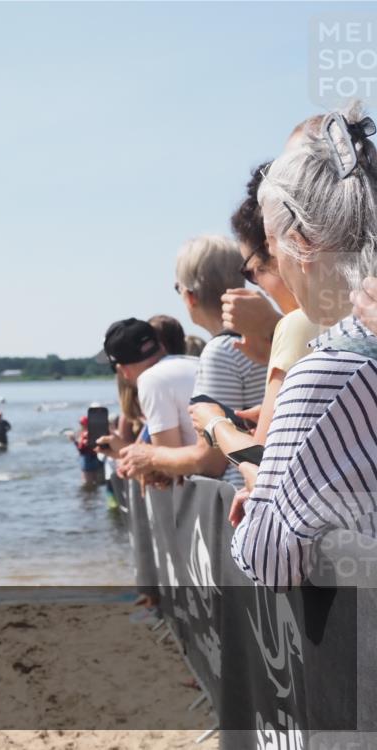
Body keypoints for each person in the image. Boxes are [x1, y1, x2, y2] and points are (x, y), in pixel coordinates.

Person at [192, 103, 377, 589]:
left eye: (271, 250)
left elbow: (269, 557)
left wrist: (259, 493)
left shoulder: (333, 368)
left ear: (304, 243)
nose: (276, 270)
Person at [117, 236, 268, 486]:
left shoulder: (220, 352)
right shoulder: (266, 337)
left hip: (240, 497)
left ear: (190, 296)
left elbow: (211, 459)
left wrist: (150, 456)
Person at [225, 162, 324, 444]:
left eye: (251, 270)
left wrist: (214, 425)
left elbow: (261, 466)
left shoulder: (296, 326)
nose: (257, 284)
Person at [96, 319, 199, 479]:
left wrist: (122, 450)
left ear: (123, 370)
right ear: (161, 347)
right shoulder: (193, 363)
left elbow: (171, 469)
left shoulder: (151, 380)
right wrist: (124, 452)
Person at [69, 415, 104, 487]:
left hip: (86, 460)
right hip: (94, 458)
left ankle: (90, 496)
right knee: (94, 481)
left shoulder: (85, 434)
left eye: (81, 424)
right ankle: (95, 496)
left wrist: (74, 441)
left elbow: (81, 448)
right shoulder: (93, 432)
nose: (80, 425)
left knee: (87, 483)